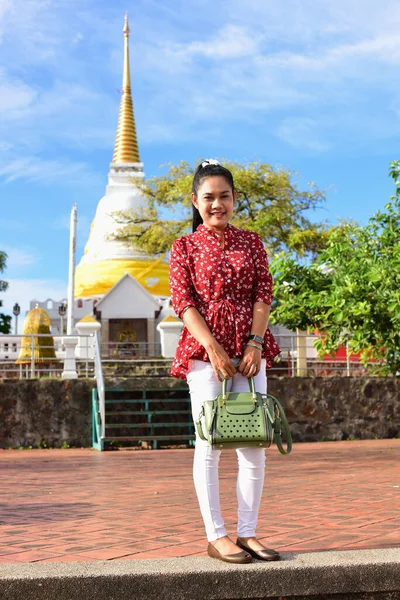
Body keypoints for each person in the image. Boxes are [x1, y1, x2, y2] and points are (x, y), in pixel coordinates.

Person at [169, 159, 281, 564]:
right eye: (209, 197)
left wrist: (253, 343)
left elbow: (263, 292)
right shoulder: (183, 247)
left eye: (225, 196)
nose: (218, 204)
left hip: (250, 352)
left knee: (254, 445)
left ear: (234, 199)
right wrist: (214, 350)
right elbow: (183, 302)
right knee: (210, 444)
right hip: (204, 356)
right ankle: (216, 536)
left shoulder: (251, 242)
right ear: (196, 202)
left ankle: (248, 533)